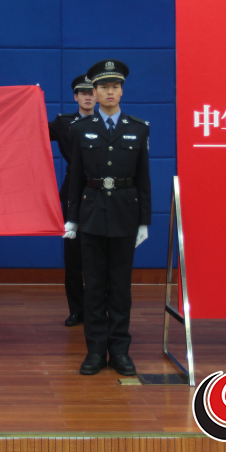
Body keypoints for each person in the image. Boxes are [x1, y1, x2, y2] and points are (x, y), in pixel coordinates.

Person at [64, 60, 151, 376]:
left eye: (115, 87)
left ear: (122, 91)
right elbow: (75, 177)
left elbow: (143, 178)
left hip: (125, 215)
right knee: (95, 286)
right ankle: (95, 352)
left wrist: (144, 221)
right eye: (103, 87)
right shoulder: (80, 129)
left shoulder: (138, 128)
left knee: (120, 287)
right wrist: (72, 218)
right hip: (91, 215)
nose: (110, 92)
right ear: (95, 92)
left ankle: (121, 351)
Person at [49, 75, 95, 326]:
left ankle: (98, 310)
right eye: (83, 93)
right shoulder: (64, 123)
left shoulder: (110, 123)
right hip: (73, 194)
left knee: (99, 256)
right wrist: (29, 100)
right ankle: (77, 310)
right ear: (75, 97)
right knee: (73, 255)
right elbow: (32, 128)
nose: (88, 96)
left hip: (102, 193)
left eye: (92, 92)